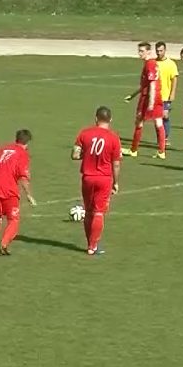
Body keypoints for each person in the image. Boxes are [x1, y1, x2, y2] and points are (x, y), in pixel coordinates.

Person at [72, 106, 123, 256]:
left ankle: (90, 244)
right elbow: (117, 163)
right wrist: (116, 182)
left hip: (87, 178)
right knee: (99, 213)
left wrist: (86, 155)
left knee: (88, 212)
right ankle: (93, 246)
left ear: (96, 118)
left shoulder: (85, 133)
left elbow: (75, 155)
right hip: (104, 179)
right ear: (110, 120)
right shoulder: (114, 137)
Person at [0, 129, 36, 257]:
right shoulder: (22, 154)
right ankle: (3, 245)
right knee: (13, 220)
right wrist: (29, 195)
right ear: (27, 143)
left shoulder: (1, 149)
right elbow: (23, 177)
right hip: (9, 191)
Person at [123, 41, 167, 159]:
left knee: (139, 122)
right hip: (157, 95)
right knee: (158, 122)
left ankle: (133, 150)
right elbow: (146, 84)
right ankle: (162, 152)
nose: (139, 53)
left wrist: (150, 102)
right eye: (139, 51)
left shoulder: (149, 64)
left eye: (142, 51)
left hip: (148, 97)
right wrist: (133, 95)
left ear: (148, 51)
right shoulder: (153, 63)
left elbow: (152, 84)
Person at [155, 41, 179, 146]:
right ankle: (160, 138)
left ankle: (165, 138)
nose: (159, 53)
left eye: (161, 50)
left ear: (165, 50)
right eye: (157, 51)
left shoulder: (171, 64)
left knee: (165, 116)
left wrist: (172, 92)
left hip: (166, 95)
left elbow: (174, 79)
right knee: (157, 117)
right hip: (156, 95)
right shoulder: (154, 63)